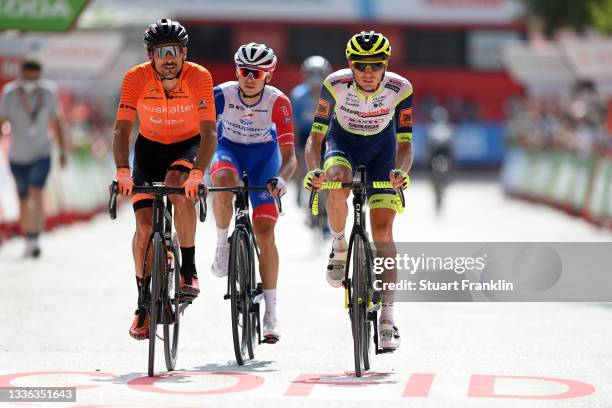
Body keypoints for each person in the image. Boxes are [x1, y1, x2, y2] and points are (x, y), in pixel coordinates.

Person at [303, 31, 413, 350]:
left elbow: (406, 142)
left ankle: (389, 318)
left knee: (383, 234)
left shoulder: (401, 88)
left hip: (382, 150)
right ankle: (339, 248)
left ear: (385, 65)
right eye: (361, 65)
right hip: (344, 143)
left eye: (376, 65)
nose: (368, 72)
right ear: (350, 64)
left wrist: (400, 173)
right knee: (337, 180)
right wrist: (314, 171)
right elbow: (315, 137)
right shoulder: (334, 84)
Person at [112, 18, 217, 340]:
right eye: (161, 53)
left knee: (177, 184)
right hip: (149, 149)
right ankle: (143, 304)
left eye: (175, 51)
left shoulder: (199, 76)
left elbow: (210, 132)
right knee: (143, 227)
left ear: (184, 53)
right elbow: (122, 129)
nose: (169, 59)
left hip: (187, 144)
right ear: (150, 56)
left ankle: (188, 268)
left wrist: (198, 173)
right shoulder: (135, 77)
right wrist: (122, 171)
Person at [209, 42, 296, 343]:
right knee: (223, 181)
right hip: (228, 150)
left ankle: (271, 313)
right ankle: (222, 245)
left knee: (265, 232)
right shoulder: (221, 94)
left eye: (257, 73)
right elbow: (203, 135)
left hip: (264, 158)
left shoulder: (278, 102)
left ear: (268, 76)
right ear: (237, 70)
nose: (250, 77)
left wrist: (282, 180)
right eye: (245, 71)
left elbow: (290, 157)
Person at [0, 59, 67, 258]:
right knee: (23, 197)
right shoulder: (10, 93)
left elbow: (57, 123)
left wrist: (62, 150)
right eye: (28, 75)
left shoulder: (48, 92)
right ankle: (28, 236)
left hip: (42, 152)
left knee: (36, 192)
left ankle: (35, 238)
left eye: (35, 75)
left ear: (39, 74)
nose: (31, 79)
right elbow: (2, 120)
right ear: (22, 74)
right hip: (17, 155)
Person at [290, 56, 332, 206]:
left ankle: (325, 204)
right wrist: (293, 148)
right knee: (300, 161)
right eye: (312, 75)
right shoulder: (298, 95)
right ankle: (299, 187)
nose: (315, 79)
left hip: (326, 134)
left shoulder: (331, 94)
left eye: (319, 75)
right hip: (304, 134)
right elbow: (294, 123)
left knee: (328, 166)